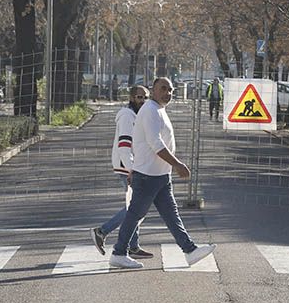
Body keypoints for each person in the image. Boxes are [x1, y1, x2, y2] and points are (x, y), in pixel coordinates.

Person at [108, 77, 216, 269]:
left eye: (171, 90)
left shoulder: (158, 109)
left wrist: (169, 168)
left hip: (159, 175)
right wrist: (177, 164)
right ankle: (118, 253)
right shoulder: (150, 110)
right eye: (163, 89)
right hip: (148, 175)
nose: (168, 93)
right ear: (153, 90)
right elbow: (155, 143)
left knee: (170, 214)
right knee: (134, 214)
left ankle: (189, 250)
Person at [90, 86, 152, 259]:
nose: (143, 101)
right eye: (140, 97)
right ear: (132, 98)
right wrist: (131, 169)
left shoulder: (136, 115)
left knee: (135, 205)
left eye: (146, 97)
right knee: (136, 207)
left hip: (133, 166)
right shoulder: (127, 116)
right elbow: (124, 145)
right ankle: (102, 231)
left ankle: (133, 245)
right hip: (128, 167)